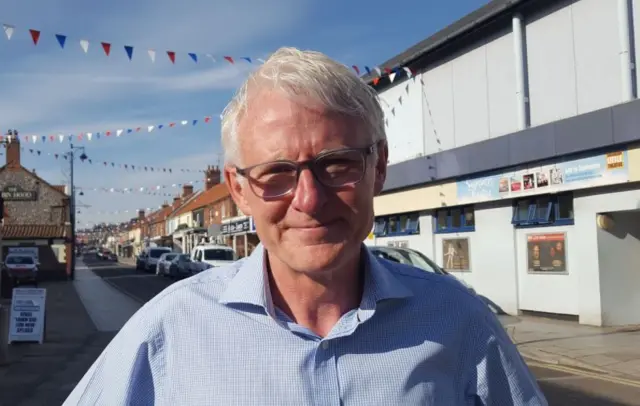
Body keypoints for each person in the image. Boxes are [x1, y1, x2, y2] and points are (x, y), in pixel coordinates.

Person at [63, 47, 547, 405]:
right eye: (276, 174)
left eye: (336, 165)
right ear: (238, 188)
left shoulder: (458, 320)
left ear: (378, 168)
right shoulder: (171, 328)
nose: (309, 200)